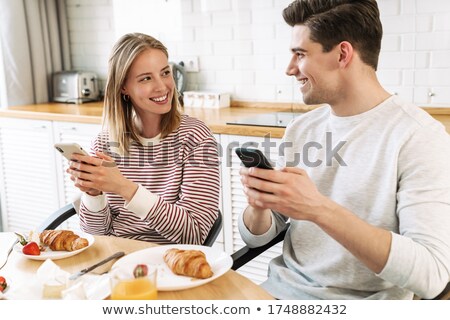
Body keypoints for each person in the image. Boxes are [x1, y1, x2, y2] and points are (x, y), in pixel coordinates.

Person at [238, 0, 450, 299]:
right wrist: (258, 204)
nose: (289, 69)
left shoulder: (419, 137)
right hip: (277, 294)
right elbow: (258, 237)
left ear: (342, 54)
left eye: (300, 54)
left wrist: (317, 209)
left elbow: (433, 275)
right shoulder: (302, 129)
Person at [67, 33, 220, 245]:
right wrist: (94, 194)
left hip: (169, 264)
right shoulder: (104, 143)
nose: (162, 86)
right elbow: (96, 236)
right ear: (123, 87)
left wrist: (124, 187)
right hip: (115, 261)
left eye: (165, 73)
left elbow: (193, 234)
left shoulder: (195, 138)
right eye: (146, 78)